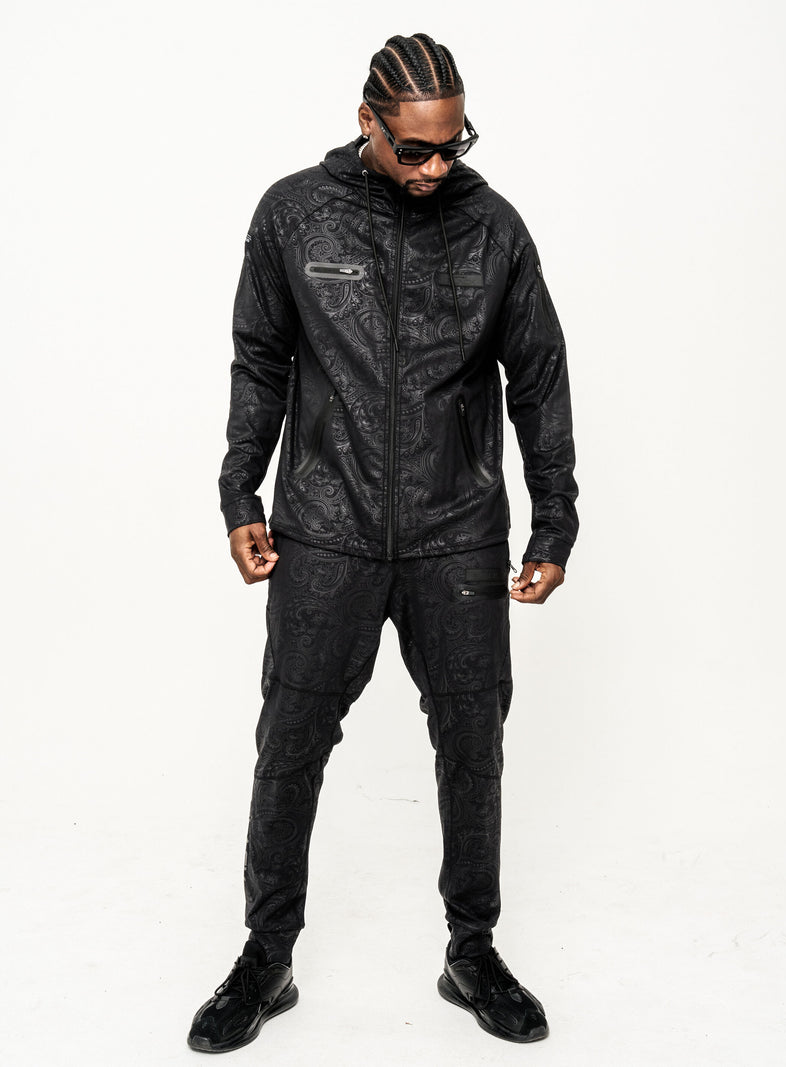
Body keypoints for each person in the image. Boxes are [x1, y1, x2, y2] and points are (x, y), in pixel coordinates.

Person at [187, 32, 579, 1053]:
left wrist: (555, 517)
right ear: (367, 121)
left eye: (453, 145)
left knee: (472, 743)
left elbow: (538, 376)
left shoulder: (493, 227)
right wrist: (238, 493)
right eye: (415, 149)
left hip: (458, 530)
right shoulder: (294, 214)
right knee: (290, 741)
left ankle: (472, 949)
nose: (437, 167)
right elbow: (259, 361)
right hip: (325, 525)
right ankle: (266, 957)